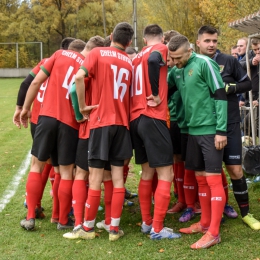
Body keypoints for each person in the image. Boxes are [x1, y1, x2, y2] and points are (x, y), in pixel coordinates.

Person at [63, 22, 134, 242]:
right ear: (129, 42)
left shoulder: (97, 52)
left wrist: (83, 107)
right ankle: (114, 229)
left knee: (94, 177)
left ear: (111, 35)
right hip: (122, 124)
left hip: (101, 122)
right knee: (117, 178)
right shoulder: (129, 63)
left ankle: (88, 228)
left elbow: (77, 79)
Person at [19, 39, 88, 231]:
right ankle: (62, 220)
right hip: (70, 123)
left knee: (36, 166)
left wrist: (25, 108)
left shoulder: (58, 54)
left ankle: (30, 216)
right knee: (65, 172)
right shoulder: (86, 63)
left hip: (47, 117)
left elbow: (35, 81)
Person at [196, 25, 260, 230]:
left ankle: (246, 213)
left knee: (234, 169)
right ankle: (213, 214)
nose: (211, 44)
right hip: (205, 126)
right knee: (207, 174)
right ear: (198, 42)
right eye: (207, 41)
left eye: (214, 40)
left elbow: (247, 84)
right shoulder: (193, 63)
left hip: (231, 123)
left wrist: (232, 88)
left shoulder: (229, 61)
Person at [168, 34, 227, 249]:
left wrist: (221, 130)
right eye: (171, 58)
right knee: (200, 177)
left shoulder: (204, 63)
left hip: (211, 131)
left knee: (212, 179)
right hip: (191, 131)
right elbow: (165, 90)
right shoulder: (177, 70)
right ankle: (204, 224)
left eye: (177, 57)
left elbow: (220, 94)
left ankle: (214, 232)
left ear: (189, 50)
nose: (174, 62)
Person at [130, 24, 181, 240]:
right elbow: (153, 61)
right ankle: (158, 230)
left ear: (143, 39)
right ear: (161, 39)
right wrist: (155, 94)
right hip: (153, 116)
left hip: (135, 118)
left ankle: (146, 222)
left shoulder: (135, 57)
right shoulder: (158, 49)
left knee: (147, 173)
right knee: (166, 173)